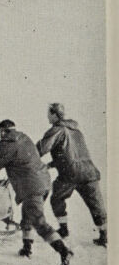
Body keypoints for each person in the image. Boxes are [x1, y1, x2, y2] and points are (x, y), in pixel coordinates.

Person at [0, 120, 72, 265]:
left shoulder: (7, 143)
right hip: (43, 181)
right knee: (28, 216)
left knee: (38, 221)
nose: (0, 134)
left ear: (3, 131)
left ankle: (64, 251)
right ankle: (26, 248)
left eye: (1, 131)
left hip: (32, 186)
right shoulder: (24, 138)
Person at [36, 103, 107, 248]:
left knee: (57, 198)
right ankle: (104, 235)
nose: (47, 116)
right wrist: (51, 164)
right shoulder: (76, 131)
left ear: (55, 115)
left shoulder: (57, 129)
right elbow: (72, 154)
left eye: (49, 113)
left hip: (70, 174)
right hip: (89, 172)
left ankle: (63, 230)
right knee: (96, 204)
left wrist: (28, 156)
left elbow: (42, 148)